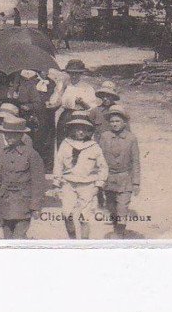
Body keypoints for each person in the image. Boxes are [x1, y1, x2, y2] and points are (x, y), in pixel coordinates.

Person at [0, 116, 45, 239]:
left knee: (19, 237)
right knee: (7, 237)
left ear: (21, 135)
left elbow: (38, 183)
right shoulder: (2, 154)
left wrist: (36, 206)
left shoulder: (32, 154)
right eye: (6, 134)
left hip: (23, 203)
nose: (8, 137)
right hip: (5, 203)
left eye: (13, 135)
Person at [52, 113, 108, 240]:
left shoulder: (94, 147)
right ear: (71, 129)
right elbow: (59, 163)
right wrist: (56, 184)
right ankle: (72, 241)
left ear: (89, 131)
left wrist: (98, 186)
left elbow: (103, 168)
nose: (81, 132)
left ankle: (84, 245)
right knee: (67, 214)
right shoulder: (65, 144)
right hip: (68, 184)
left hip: (87, 185)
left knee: (84, 217)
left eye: (84, 129)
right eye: (77, 128)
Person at [98, 106, 140, 239]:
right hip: (108, 178)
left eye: (117, 121)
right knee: (111, 207)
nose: (114, 124)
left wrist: (136, 183)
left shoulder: (131, 138)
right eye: (112, 121)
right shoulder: (104, 137)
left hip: (125, 178)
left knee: (122, 207)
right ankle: (116, 229)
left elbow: (135, 162)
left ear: (124, 122)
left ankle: (119, 233)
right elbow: (98, 158)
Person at [48, 59, 98, 148]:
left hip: (81, 116)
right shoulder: (63, 85)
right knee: (63, 142)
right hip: (66, 115)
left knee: (79, 143)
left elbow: (92, 108)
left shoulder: (87, 88)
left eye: (77, 73)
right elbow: (53, 101)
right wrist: (62, 90)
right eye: (71, 73)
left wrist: (82, 103)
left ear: (81, 74)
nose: (74, 76)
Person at [16, 69, 57, 172]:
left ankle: (46, 165)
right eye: (43, 70)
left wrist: (54, 104)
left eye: (47, 70)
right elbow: (23, 100)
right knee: (32, 139)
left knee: (47, 139)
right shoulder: (30, 83)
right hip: (32, 115)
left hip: (47, 115)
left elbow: (56, 97)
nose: (46, 72)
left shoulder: (51, 83)